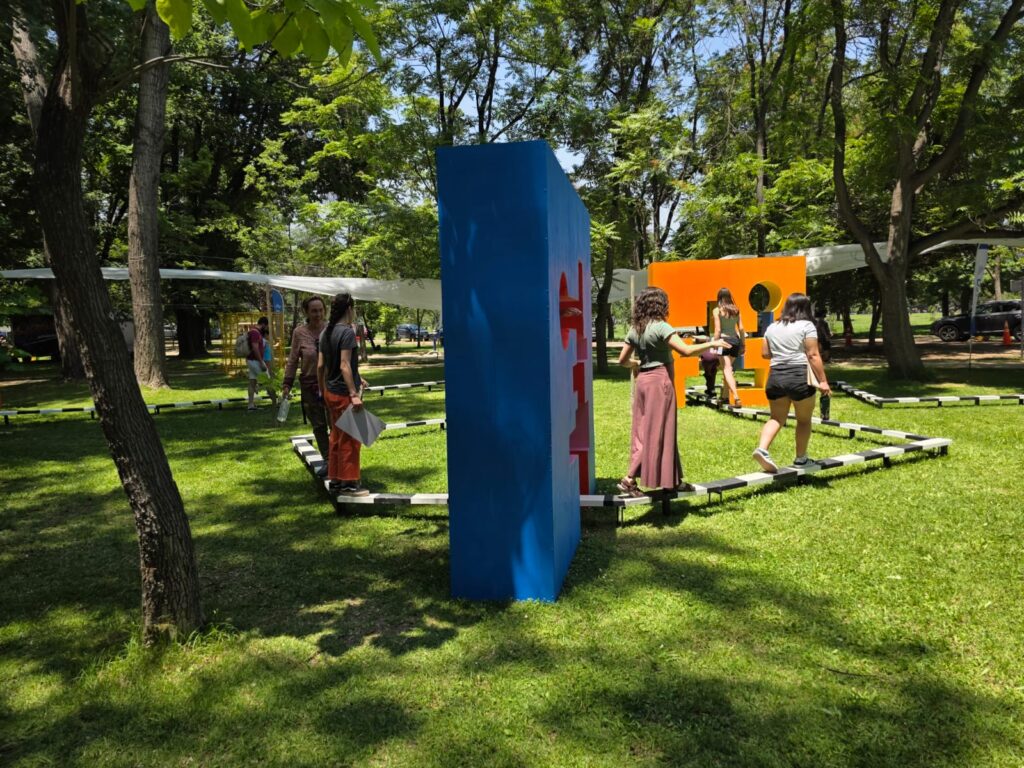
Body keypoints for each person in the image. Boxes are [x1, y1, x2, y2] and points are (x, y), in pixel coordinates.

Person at [616, 287, 730, 496]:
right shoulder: (662, 327)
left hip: (642, 383)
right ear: (660, 305)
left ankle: (673, 480)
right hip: (660, 383)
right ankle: (629, 479)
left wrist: (636, 364)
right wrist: (712, 343)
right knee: (657, 431)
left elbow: (622, 360)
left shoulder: (636, 328)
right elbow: (685, 351)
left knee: (646, 431)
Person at [752, 293, 831, 473]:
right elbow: (813, 355)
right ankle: (801, 459)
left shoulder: (772, 327)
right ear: (806, 308)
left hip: (775, 377)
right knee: (803, 420)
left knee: (776, 418)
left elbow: (765, 353)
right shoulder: (807, 326)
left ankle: (762, 449)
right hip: (799, 377)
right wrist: (823, 381)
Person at [318, 293, 371, 496]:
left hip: (330, 392)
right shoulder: (347, 332)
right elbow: (344, 364)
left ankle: (336, 479)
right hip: (343, 395)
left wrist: (323, 391)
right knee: (350, 439)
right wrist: (353, 393)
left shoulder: (325, 332)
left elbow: (321, 366)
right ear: (349, 309)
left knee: (336, 437)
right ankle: (349, 483)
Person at [282, 296, 330, 475]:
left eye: (320, 310)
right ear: (306, 312)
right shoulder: (299, 332)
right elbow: (293, 360)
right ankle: (328, 460)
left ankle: (339, 461)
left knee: (336, 424)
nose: (318, 314)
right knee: (318, 425)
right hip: (310, 386)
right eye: (314, 311)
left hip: (331, 384)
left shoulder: (331, 329)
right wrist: (287, 383)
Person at [712, 287, 745, 406]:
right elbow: (741, 328)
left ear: (719, 298)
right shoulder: (736, 310)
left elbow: (717, 329)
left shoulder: (717, 310)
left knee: (726, 369)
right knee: (728, 370)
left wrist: (714, 343)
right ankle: (724, 397)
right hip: (735, 341)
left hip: (723, 341)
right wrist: (743, 344)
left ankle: (736, 397)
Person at [246, 316, 277, 411]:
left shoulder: (252, 332)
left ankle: (250, 405)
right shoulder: (255, 333)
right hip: (256, 361)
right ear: (263, 324)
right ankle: (275, 403)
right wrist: (261, 362)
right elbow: (255, 348)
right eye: (266, 326)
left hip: (251, 361)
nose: (266, 328)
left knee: (252, 382)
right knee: (267, 381)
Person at [813, 309, 833, 420]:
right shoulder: (823, 322)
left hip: (815, 341)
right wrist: (829, 336)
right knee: (823, 357)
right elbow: (826, 333)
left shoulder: (812, 322)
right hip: (823, 341)